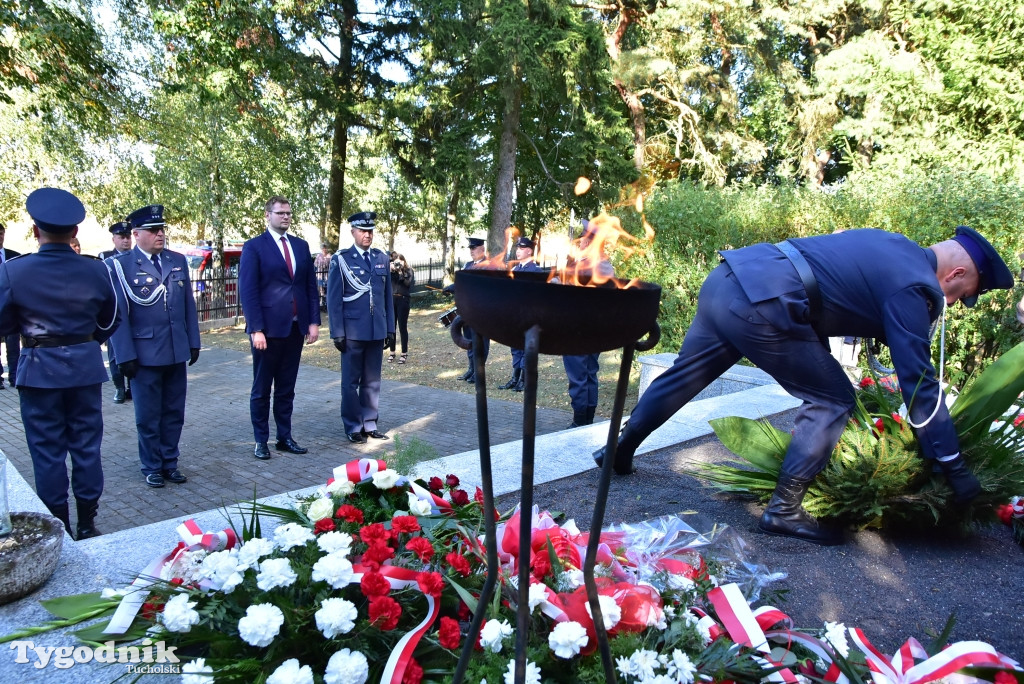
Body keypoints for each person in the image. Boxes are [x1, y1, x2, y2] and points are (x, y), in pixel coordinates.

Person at [594, 226, 1014, 545]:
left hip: (729, 280)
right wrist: (953, 466)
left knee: (686, 374)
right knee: (832, 398)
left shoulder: (895, 243)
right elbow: (919, 385)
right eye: (962, 293)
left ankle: (618, 449)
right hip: (765, 304)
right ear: (956, 272)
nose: (954, 302)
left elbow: (841, 284)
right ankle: (784, 510)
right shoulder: (914, 287)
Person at [0, 188, 119, 539]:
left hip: (38, 369)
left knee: (47, 452)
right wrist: (85, 344)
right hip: (84, 368)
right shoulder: (96, 270)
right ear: (75, 233)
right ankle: (87, 522)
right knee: (86, 447)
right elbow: (111, 317)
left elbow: (2, 323)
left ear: (36, 231)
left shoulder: (14, 271)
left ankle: (60, 526)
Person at [108, 204, 201, 488]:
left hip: (175, 350)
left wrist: (193, 342)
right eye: (153, 230)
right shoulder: (121, 266)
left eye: (162, 229)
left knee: (174, 413)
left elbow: (188, 306)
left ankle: (170, 462)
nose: (160, 234)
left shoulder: (176, 260)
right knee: (148, 416)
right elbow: (119, 315)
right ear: (136, 234)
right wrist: (124, 355)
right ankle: (151, 465)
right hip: (144, 355)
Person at [239, 196, 321, 461]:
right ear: (268, 215)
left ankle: (284, 437)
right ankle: (261, 440)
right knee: (262, 389)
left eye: (288, 213)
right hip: (267, 332)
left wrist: (313, 322)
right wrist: (256, 329)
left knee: (286, 388)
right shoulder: (254, 247)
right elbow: (249, 291)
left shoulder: (300, 246)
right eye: (280, 213)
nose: (285, 217)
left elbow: (309, 286)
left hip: (295, 329)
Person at [327, 211, 395, 443]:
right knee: (350, 383)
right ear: (353, 232)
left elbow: (387, 297)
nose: (368, 235)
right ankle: (353, 426)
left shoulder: (381, 258)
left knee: (372, 381)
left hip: (376, 330)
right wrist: (337, 332)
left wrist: (390, 329)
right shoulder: (342, 259)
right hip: (352, 331)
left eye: (370, 231)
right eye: (363, 231)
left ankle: (369, 423)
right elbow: (333, 300)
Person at [563, 219, 615, 426]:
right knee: (588, 375)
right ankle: (585, 420)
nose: (580, 241)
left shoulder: (595, 266)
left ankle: (580, 422)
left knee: (580, 378)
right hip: (591, 330)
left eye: (584, 238)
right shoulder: (598, 264)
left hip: (580, 330)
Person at [498, 236, 543, 391]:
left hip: (527, 316)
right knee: (515, 347)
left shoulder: (535, 270)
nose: (518, 251)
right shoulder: (515, 270)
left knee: (525, 347)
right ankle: (515, 378)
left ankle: (524, 380)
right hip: (514, 315)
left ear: (529, 251)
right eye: (517, 248)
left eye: (522, 248)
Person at [99, 221, 134, 403]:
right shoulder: (106, 258)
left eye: (128, 237)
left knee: (135, 351)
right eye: (122, 237)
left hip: (134, 313)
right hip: (115, 314)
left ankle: (132, 387)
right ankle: (119, 387)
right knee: (115, 354)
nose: (126, 241)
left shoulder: (137, 258)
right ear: (114, 239)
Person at [452, 237, 490, 383]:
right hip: (467, 310)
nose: (471, 251)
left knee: (481, 342)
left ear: (482, 249)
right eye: (470, 249)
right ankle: (471, 369)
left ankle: (479, 371)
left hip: (481, 312)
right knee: (469, 340)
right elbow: (463, 283)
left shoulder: (488, 266)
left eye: (474, 248)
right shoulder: (468, 265)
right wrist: (453, 288)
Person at [0, 222, 22, 389]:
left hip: (13, 308)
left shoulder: (15, 256)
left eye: (1, 233)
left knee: (13, 345)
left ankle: (15, 376)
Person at [387, 252, 414, 364]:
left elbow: (408, 284)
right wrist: (391, 270)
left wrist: (400, 273)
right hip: (392, 300)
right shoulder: (391, 272)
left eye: (401, 260)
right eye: (396, 261)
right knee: (391, 327)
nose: (399, 263)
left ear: (404, 261)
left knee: (402, 327)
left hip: (403, 300)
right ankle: (392, 352)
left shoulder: (409, 271)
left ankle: (404, 353)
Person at [314, 242, 331, 311]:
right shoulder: (318, 256)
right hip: (320, 276)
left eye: (325, 248)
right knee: (320, 290)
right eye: (323, 248)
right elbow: (315, 264)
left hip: (327, 276)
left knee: (327, 290)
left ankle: (326, 304)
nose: (324, 249)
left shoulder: (329, 256)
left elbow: (329, 265)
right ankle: (321, 304)